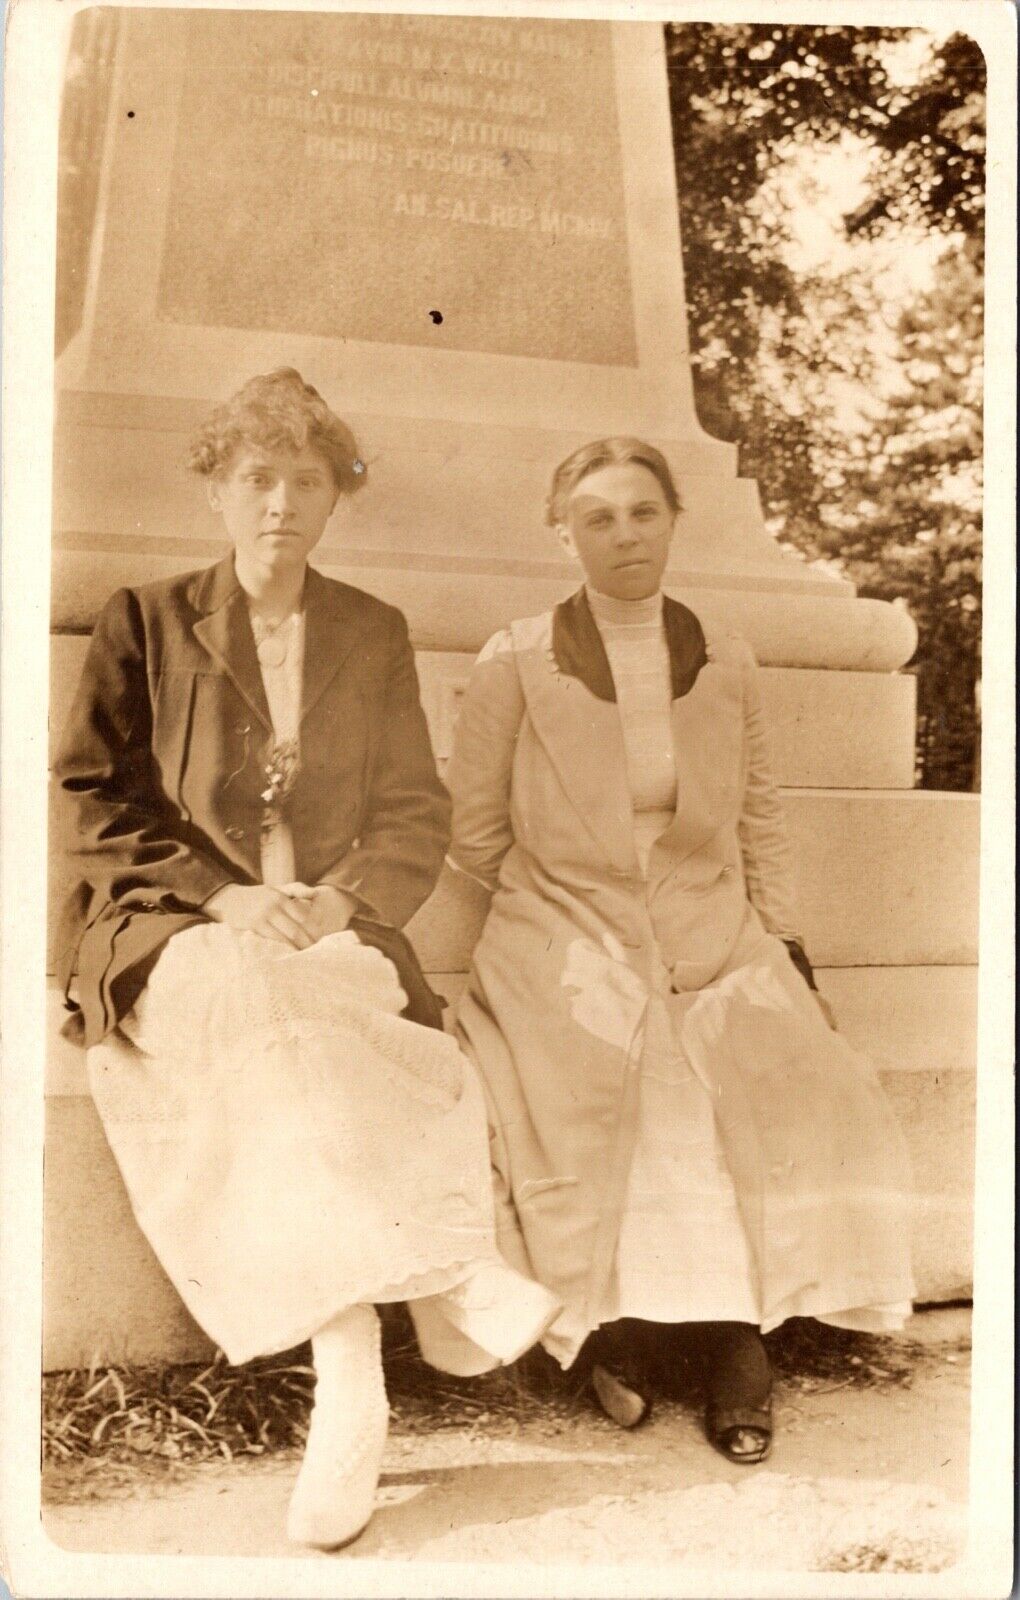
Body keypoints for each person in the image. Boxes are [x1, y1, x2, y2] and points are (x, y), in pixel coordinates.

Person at [53, 369, 558, 1548]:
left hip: (328, 922)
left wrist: (341, 902)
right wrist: (228, 900)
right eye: (257, 479)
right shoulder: (144, 617)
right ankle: (383, 1350)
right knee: (255, 1003)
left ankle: (373, 1360)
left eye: (307, 480)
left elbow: (414, 812)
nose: (281, 501)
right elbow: (91, 798)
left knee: (323, 1013)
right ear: (220, 495)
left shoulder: (369, 631)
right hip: (174, 924)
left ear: (336, 499)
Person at [446, 436, 915, 1464]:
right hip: (562, 928)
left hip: (709, 920)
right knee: (628, 1073)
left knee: (776, 1057)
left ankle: (738, 1338)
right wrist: (574, 910)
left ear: (673, 520)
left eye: (643, 512)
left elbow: (759, 816)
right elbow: (476, 830)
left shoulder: (725, 657)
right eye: (599, 516)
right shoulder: (517, 659)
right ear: (563, 530)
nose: (624, 535)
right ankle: (617, 1327)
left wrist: (781, 945)